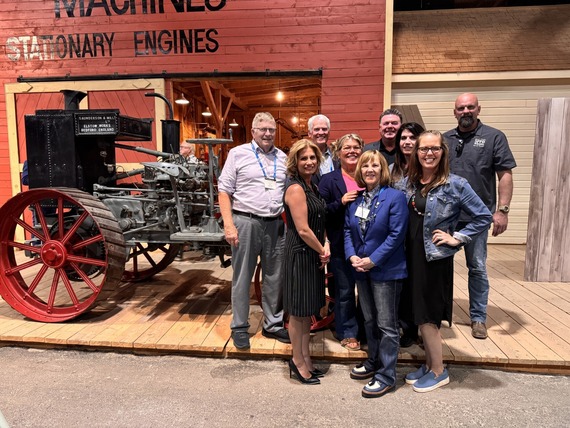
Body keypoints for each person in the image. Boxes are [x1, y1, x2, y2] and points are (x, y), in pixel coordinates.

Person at [403, 131, 492, 393]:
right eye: (423, 149)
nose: (429, 154)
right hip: (411, 256)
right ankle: (429, 364)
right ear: (416, 153)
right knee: (418, 313)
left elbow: (483, 216)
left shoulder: (456, 184)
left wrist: (457, 238)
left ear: (443, 152)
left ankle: (439, 371)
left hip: (433, 259)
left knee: (428, 316)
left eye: (435, 148)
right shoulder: (408, 182)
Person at [443, 93, 517, 340]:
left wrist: (502, 210)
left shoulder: (494, 137)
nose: (466, 111)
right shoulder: (445, 139)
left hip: (477, 217)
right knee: (440, 268)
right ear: (454, 112)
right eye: (461, 108)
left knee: (476, 267)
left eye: (470, 107)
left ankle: (478, 318)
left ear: (478, 109)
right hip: (447, 217)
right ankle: (439, 315)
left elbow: (504, 175)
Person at [218, 112, 290, 350]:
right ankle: (239, 326)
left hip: (275, 223)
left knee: (275, 277)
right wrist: (229, 224)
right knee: (242, 276)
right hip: (246, 222)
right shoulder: (238, 154)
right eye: (263, 129)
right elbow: (224, 191)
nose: (268, 134)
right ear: (253, 132)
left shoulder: (282, 158)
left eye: (271, 130)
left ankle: (273, 324)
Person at [283, 139, 330, 385]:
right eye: (304, 158)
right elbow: (302, 229)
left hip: (312, 253)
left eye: (312, 157)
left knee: (306, 313)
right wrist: (323, 250)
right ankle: (297, 360)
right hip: (300, 254)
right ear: (295, 162)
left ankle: (306, 358)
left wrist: (326, 244)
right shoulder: (295, 188)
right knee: (298, 313)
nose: (309, 162)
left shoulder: (312, 185)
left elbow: (319, 221)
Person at [318, 134, 364, 351]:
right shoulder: (329, 180)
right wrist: (341, 201)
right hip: (340, 243)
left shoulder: (369, 175)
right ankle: (347, 331)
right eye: (347, 147)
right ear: (338, 153)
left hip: (367, 245)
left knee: (367, 292)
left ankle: (365, 329)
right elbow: (321, 211)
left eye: (356, 147)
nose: (352, 151)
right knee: (344, 290)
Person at [391, 122, 425, 348]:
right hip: (396, 232)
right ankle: (401, 325)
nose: (407, 142)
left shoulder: (426, 169)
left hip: (418, 231)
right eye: (403, 138)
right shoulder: (392, 170)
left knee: (416, 281)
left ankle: (417, 327)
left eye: (412, 137)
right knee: (400, 281)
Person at [307, 114, 336, 183]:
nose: (321, 132)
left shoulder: (337, 155)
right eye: (317, 129)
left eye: (324, 129)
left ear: (329, 132)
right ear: (309, 133)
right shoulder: (303, 157)